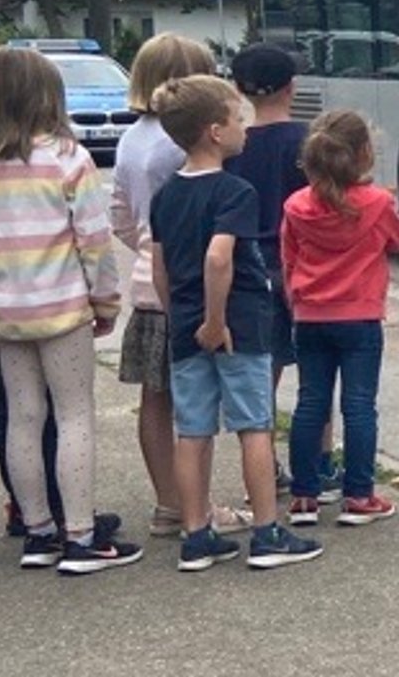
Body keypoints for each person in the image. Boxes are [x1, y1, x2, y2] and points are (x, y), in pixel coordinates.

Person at [0, 47, 139, 574]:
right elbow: (94, 241)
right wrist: (104, 301)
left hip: (6, 312)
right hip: (61, 305)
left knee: (24, 417)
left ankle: (37, 531)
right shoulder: (67, 158)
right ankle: (80, 534)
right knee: (75, 414)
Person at [149, 74, 321, 571]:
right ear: (215, 132)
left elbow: (159, 264)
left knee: (194, 429)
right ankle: (267, 530)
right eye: (237, 118)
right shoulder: (235, 192)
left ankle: (195, 531)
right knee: (253, 425)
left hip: (183, 326)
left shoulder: (165, 196)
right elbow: (219, 258)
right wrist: (215, 318)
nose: (245, 126)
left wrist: (181, 315)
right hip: (236, 323)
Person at [110, 33, 250, 539]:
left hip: (150, 283)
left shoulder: (130, 140)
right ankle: (197, 506)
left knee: (155, 397)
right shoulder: (181, 146)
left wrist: (148, 248)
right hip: (192, 288)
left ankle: (167, 500)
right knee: (197, 406)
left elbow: (121, 217)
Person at [281, 110, 399, 528]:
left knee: (310, 404)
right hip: (360, 316)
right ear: (364, 154)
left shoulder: (296, 207)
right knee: (359, 406)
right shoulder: (376, 204)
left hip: (310, 316)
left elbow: (288, 261)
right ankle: (359, 494)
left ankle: (304, 495)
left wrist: (296, 302)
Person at [222, 43, 335, 502]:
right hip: (303, 266)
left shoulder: (233, 146)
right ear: (293, 88)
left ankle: (264, 469)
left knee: (261, 376)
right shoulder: (307, 143)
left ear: (238, 89)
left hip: (249, 268)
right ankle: (321, 464)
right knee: (316, 374)